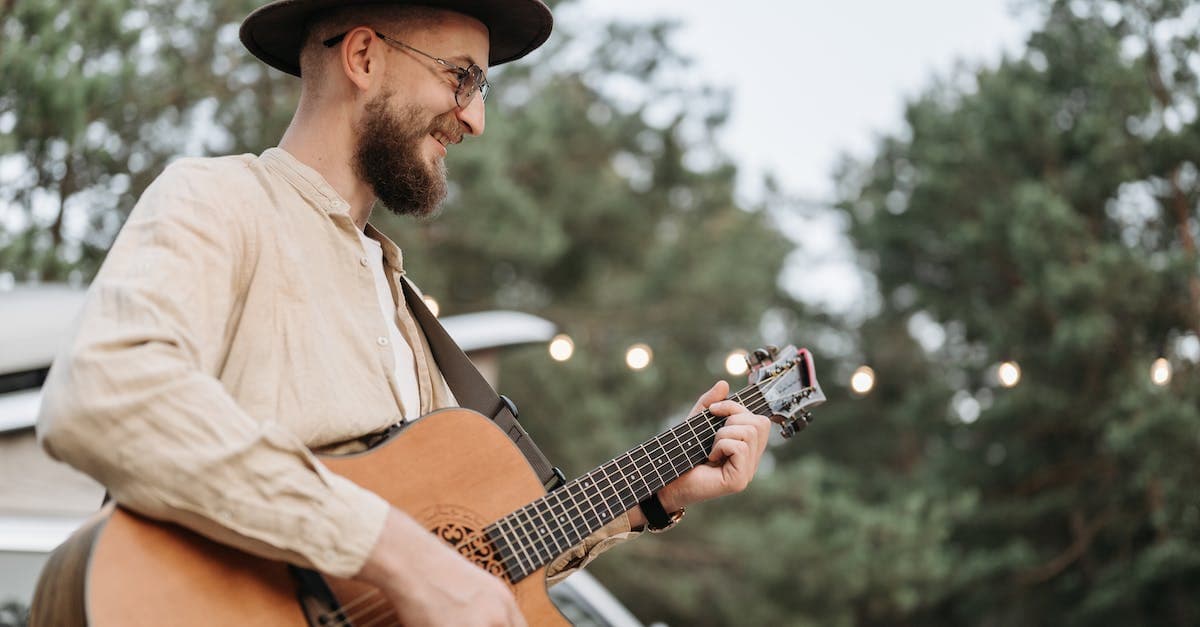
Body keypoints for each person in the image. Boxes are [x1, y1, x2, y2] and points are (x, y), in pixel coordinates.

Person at [35, 1, 773, 625]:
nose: (476, 119)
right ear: (362, 56)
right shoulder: (218, 201)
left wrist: (650, 497)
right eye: (463, 78)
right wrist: (396, 551)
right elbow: (106, 393)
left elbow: (477, 550)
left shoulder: (398, 298)